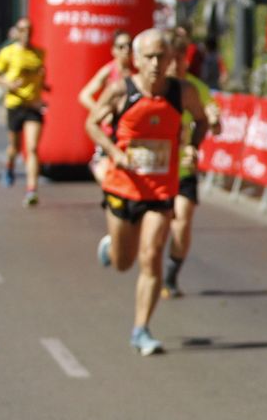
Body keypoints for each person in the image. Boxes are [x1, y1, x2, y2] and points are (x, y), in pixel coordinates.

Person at [85, 28, 205, 356]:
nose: (155, 63)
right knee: (124, 263)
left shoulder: (183, 92)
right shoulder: (120, 91)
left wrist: (193, 147)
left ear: (170, 60)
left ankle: (141, 329)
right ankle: (112, 247)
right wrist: (114, 152)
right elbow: (92, 124)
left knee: (150, 256)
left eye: (161, 57)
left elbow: (201, 121)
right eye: (149, 57)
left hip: (161, 188)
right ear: (136, 60)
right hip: (124, 187)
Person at [163, 38, 221, 298]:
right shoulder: (154, 89)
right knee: (154, 226)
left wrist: (197, 141)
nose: (176, 65)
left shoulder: (196, 89)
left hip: (184, 171)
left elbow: (210, 121)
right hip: (156, 172)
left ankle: (171, 274)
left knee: (182, 222)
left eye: (180, 59)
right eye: (171, 59)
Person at [0, 17, 47, 206]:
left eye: (29, 30)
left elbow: (41, 79)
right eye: (22, 30)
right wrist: (9, 84)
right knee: (14, 147)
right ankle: (10, 165)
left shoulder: (39, 54)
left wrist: (44, 89)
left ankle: (31, 190)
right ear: (17, 32)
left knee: (31, 148)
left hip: (33, 106)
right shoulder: (8, 52)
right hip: (14, 104)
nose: (26, 33)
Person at [79, 31, 135, 186]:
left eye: (129, 46)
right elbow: (84, 95)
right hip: (109, 131)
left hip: (129, 132)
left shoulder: (137, 73)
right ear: (113, 50)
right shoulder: (109, 71)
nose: (126, 50)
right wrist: (103, 113)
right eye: (121, 46)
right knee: (107, 177)